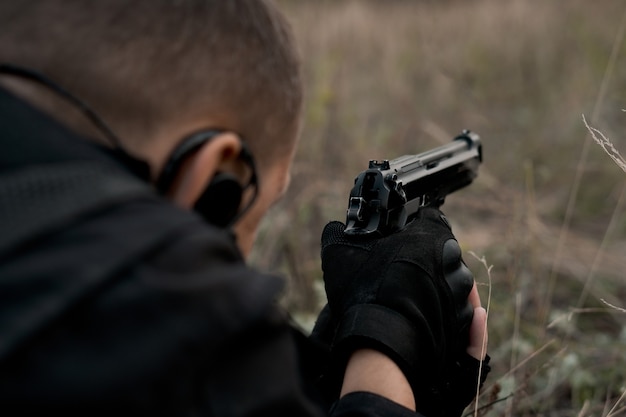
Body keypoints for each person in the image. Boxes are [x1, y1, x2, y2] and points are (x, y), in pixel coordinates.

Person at [0, 1, 489, 416]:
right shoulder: (162, 298)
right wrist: (387, 347)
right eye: (246, 226)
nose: (233, 265)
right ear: (215, 176)